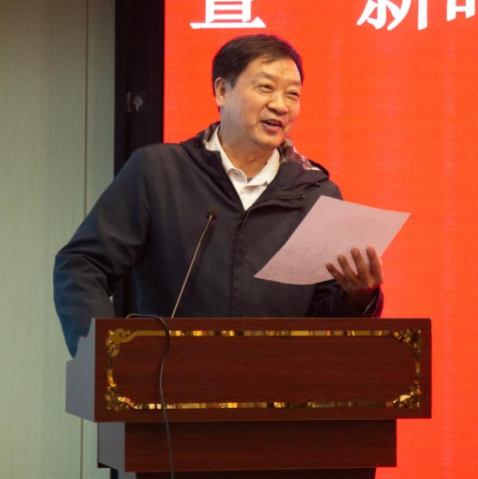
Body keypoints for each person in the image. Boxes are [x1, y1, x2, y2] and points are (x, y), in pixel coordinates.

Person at [54, 34, 384, 356]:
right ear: (222, 90)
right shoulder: (160, 172)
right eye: (265, 87)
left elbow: (325, 326)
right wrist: (105, 354)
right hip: (169, 383)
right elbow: (83, 264)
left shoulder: (316, 193)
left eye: (293, 94)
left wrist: (358, 298)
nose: (280, 105)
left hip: (278, 387)